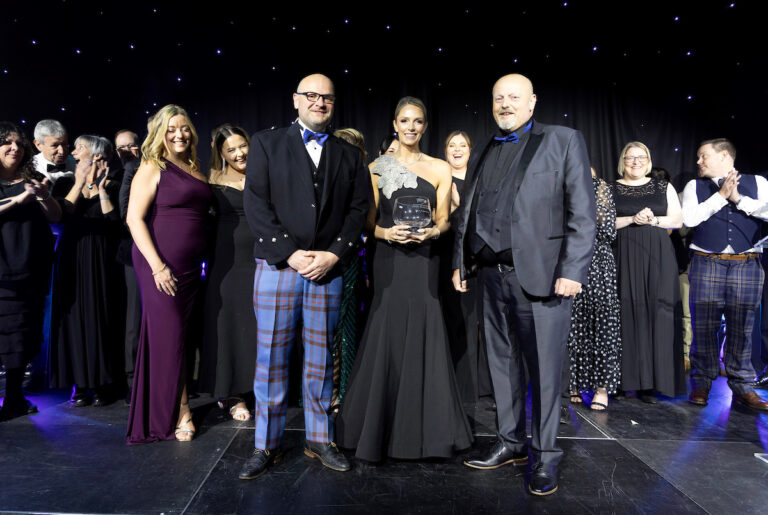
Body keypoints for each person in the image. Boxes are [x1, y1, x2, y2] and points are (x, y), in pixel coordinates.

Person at [452, 74, 596, 496]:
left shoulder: (564, 140)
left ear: (532, 102)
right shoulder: (483, 148)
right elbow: (470, 212)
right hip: (491, 278)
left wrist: (572, 270)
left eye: (514, 97)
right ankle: (511, 442)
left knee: (545, 374)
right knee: (501, 366)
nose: (505, 104)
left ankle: (546, 455)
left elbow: (582, 214)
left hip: (544, 278)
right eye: (499, 98)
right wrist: (461, 262)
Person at [240, 74, 370, 479]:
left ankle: (319, 438)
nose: (319, 102)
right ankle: (266, 445)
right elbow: (255, 204)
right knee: (271, 361)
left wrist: (333, 255)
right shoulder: (266, 142)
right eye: (311, 96)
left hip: (326, 271)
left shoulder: (349, 154)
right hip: (279, 267)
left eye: (327, 98)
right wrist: (292, 254)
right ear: (296, 100)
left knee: (321, 361)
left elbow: (358, 210)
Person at [338, 98, 473, 462]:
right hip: (390, 260)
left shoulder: (440, 168)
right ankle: (376, 427)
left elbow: (444, 219)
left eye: (417, 122)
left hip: (426, 261)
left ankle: (429, 430)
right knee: (387, 329)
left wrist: (432, 234)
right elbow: (368, 223)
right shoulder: (377, 167)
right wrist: (386, 235)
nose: (410, 127)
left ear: (425, 126)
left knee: (427, 323)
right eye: (404, 120)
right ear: (394, 124)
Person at [125, 105, 211, 443]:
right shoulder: (152, 166)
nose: (179, 134)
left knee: (176, 338)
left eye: (185, 128)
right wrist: (158, 266)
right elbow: (134, 219)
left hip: (190, 268)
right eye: (172, 128)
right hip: (159, 264)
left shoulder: (193, 166)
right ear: (160, 133)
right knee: (171, 338)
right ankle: (181, 411)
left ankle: (165, 404)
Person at [682, 138, 768, 412]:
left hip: (747, 261)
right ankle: (701, 382)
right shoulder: (694, 186)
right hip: (707, 260)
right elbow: (689, 219)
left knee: (742, 327)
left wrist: (738, 199)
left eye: (703, 156)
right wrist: (720, 198)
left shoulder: (758, 183)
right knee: (704, 324)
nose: (698, 162)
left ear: (724, 156)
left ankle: (743, 386)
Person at [50, 135, 121, 407]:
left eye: (80, 148)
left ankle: (104, 382)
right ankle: (79, 384)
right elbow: (63, 215)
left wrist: (100, 188)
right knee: (74, 319)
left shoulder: (113, 184)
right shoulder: (66, 182)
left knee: (101, 315)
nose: (73, 152)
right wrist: (80, 182)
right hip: (72, 255)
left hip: (103, 258)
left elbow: (114, 223)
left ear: (97, 156)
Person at [612, 142, 684, 403]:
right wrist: (632, 219)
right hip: (622, 254)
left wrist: (652, 220)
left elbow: (677, 220)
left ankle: (650, 384)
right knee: (624, 314)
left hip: (657, 256)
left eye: (641, 157)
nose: (635, 162)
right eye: (630, 158)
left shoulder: (663, 187)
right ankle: (620, 380)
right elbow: (603, 222)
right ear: (623, 161)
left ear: (649, 160)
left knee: (655, 314)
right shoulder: (610, 188)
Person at [0, 122, 60, 421]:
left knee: (23, 336)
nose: (15, 148)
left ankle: (14, 397)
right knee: (4, 334)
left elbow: (55, 215)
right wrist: (19, 199)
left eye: (18, 144)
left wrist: (43, 195)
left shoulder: (32, 178)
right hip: (2, 271)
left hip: (31, 268)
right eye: (7, 143)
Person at [199, 124, 255, 421]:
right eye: (230, 150)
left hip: (262, 261)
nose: (239, 153)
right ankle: (232, 394)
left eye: (242, 145)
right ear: (220, 153)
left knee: (257, 328)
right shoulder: (212, 181)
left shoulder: (263, 174)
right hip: (228, 262)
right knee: (230, 325)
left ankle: (254, 389)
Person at [440, 130, 491, 403]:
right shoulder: (437, 176)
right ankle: (449, 383)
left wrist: (460, 205)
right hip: (441, 256)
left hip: (470, 260)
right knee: (449, 321)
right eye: (452, 145)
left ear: (470, 151)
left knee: (472, 321)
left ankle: (471, 386)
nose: (457, 150)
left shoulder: (477, 181)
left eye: (463, 145)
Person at [567, 168, 621, 411]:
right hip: (567, 259)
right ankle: (573, 383)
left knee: (602, 323)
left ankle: (601, 387)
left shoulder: (601, 187)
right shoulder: (561, 187)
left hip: (597, 259)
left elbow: (607, 230)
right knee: (571, 323)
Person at [115, 129, 142, 404]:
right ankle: (133, 381)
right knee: (134, 319)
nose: (127, 151)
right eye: (121, 147)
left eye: (132, 145)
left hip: (165, 249)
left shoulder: (147, 164)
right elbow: (123, 214)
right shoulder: (126, 171)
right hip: (132, 253)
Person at [32, 119, 75, 184]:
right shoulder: (30, 168)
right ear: (38, 145)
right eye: (55, 145)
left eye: (64, 144)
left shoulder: (75, 163)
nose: (62, 151)